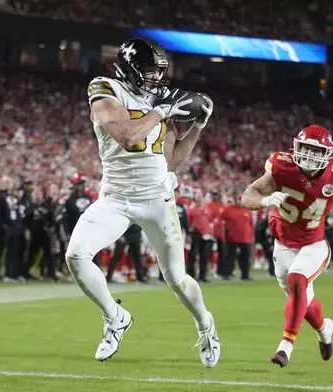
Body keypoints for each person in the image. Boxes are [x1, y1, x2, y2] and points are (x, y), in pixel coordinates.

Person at [64, 38, 219, 367]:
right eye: (149, 71)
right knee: (76, 255)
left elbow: (173, 161)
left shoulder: (163, 98)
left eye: (160, 72)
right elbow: (128, 135)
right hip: (116, 199)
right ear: (129, 69)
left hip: (157, 199)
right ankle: (115, 316)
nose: (156, 79)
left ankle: (206, 324)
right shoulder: (105, 88)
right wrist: (161, 110)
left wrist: (198, 126)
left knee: (176, 278)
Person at [240, 125, 333, 367]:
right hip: (283, 243)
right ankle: (325, 330)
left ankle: (285, 347)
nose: (309, 155)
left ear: (327, 154)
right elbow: (246, 196)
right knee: (302, 301)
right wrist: (265, 201)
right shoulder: (281, 166)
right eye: (305, 148)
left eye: (316, 151)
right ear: (296, 147)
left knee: (297, 279)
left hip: (314, 242)